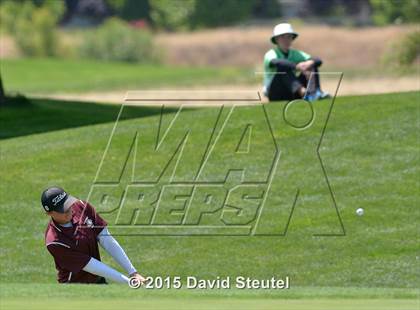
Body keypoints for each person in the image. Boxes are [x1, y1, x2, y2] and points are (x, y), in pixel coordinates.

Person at [42, 186, 147, 285]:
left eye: (67, 204)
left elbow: (106, 239)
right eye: (62, 209)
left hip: (97, 279)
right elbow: (92, 266)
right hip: (74, 287)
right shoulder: (54, 242)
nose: (68, 210)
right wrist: (129, 282)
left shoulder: (81, 206)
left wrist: (133, 273)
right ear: (49, 213)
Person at [263, 23, 330, 102]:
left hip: (291, 91)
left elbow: (318, 60)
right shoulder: (271, 53)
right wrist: (297, 66)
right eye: (282, 37)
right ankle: (304, 92)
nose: (286, 40)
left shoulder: (296, 53)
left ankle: (314, 93)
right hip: (275, 92)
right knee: (283, 69)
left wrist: (310, 63)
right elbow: (277, 62)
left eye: (289, 37)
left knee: (311, 65)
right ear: (276, 39)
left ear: (292, 38)